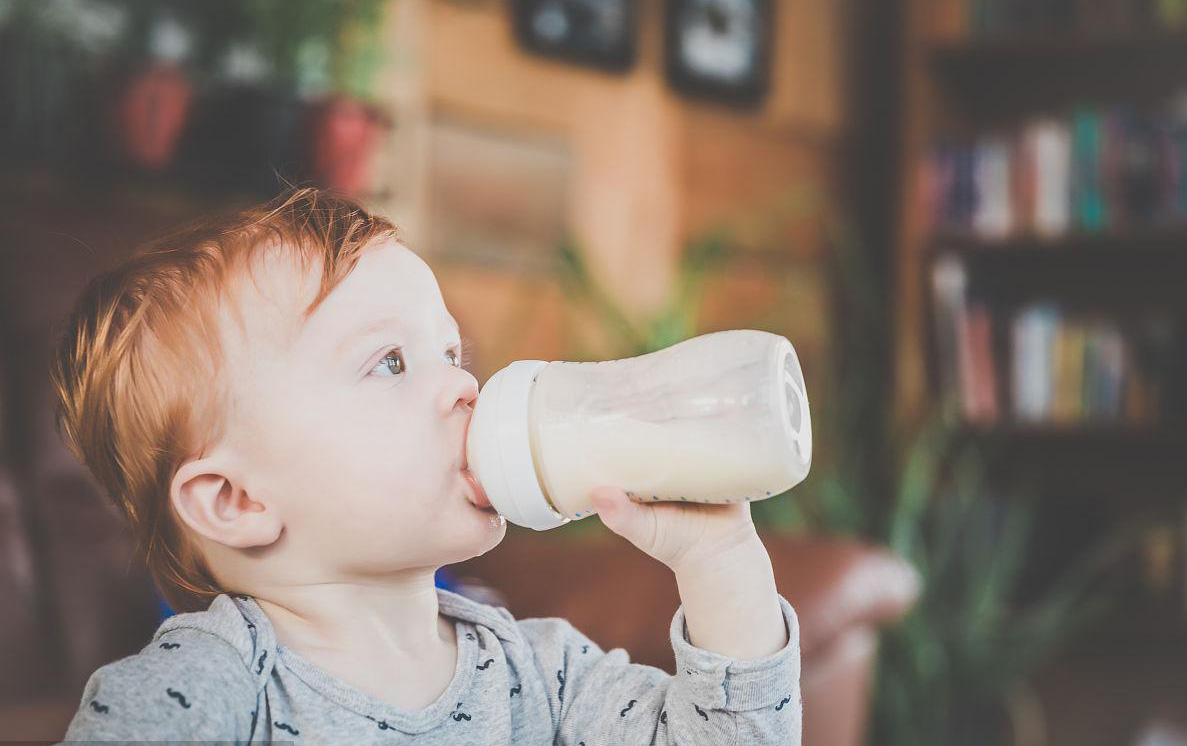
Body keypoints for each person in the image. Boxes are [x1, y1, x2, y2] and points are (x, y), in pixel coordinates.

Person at [50, 187, 802, 744]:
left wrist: (720, 559)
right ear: (236, 499)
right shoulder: (200, 693)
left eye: (451, 353)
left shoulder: (543, 674)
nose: (463, 384)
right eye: (389, 363)